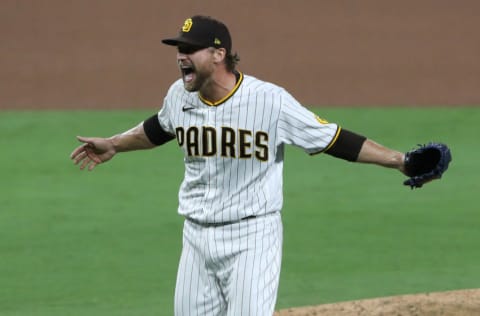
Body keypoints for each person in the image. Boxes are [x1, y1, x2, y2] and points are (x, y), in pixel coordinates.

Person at [70, 15, 407, 316]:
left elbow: (333, 139)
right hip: (196, 238)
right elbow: (159, 128)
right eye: (178, 49)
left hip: (252, 237)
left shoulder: (269, 101)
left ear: (219, 54)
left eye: (190, 48)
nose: (180, 56)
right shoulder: (179, 95)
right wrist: (114, 144)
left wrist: (399, 161)